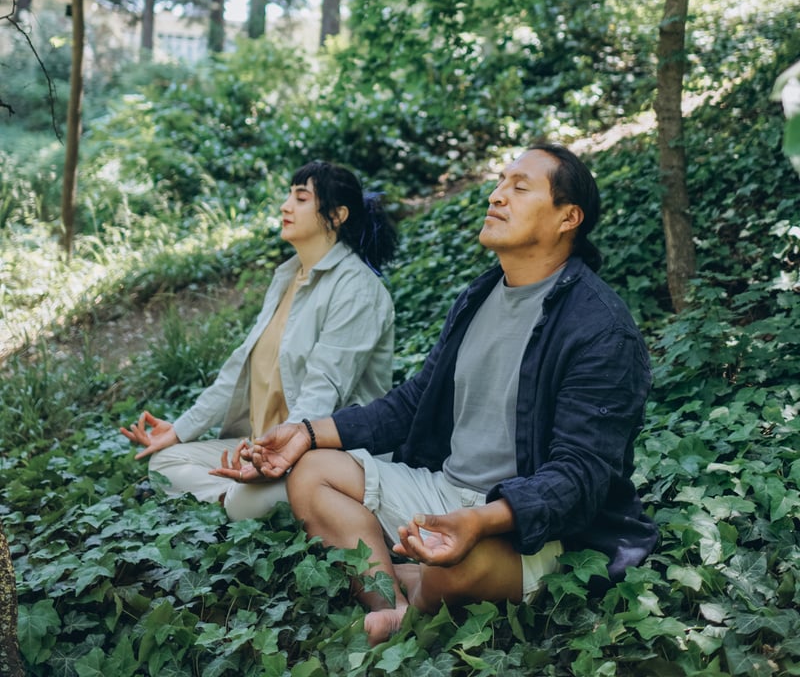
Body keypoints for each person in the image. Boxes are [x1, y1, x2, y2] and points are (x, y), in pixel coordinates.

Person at [248, 143, 658, 643]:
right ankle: (395, 603)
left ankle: (410, 595)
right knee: (312, 472)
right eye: (500, 183)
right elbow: (414, 401)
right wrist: (306, 433)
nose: (496, 196)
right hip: (445, 491)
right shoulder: (478, 296)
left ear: (567, 217)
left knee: (453, 561)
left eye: (519, 187)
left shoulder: (600, 329)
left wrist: (480, 521)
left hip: (534, 527)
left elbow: (579, 476)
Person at [121, 160, 396, 522]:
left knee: (245, 499)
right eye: (289, 196)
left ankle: (239, 499)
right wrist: (181, 430)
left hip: (319, 453)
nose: (285, 206)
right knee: (164, 462)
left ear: (337, 214)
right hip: (264, 444)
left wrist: (276, 454)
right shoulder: (287, 278)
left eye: (300, 198)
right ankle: (235, 495)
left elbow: (324, 389)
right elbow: (240, 368)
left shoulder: (358, 290)